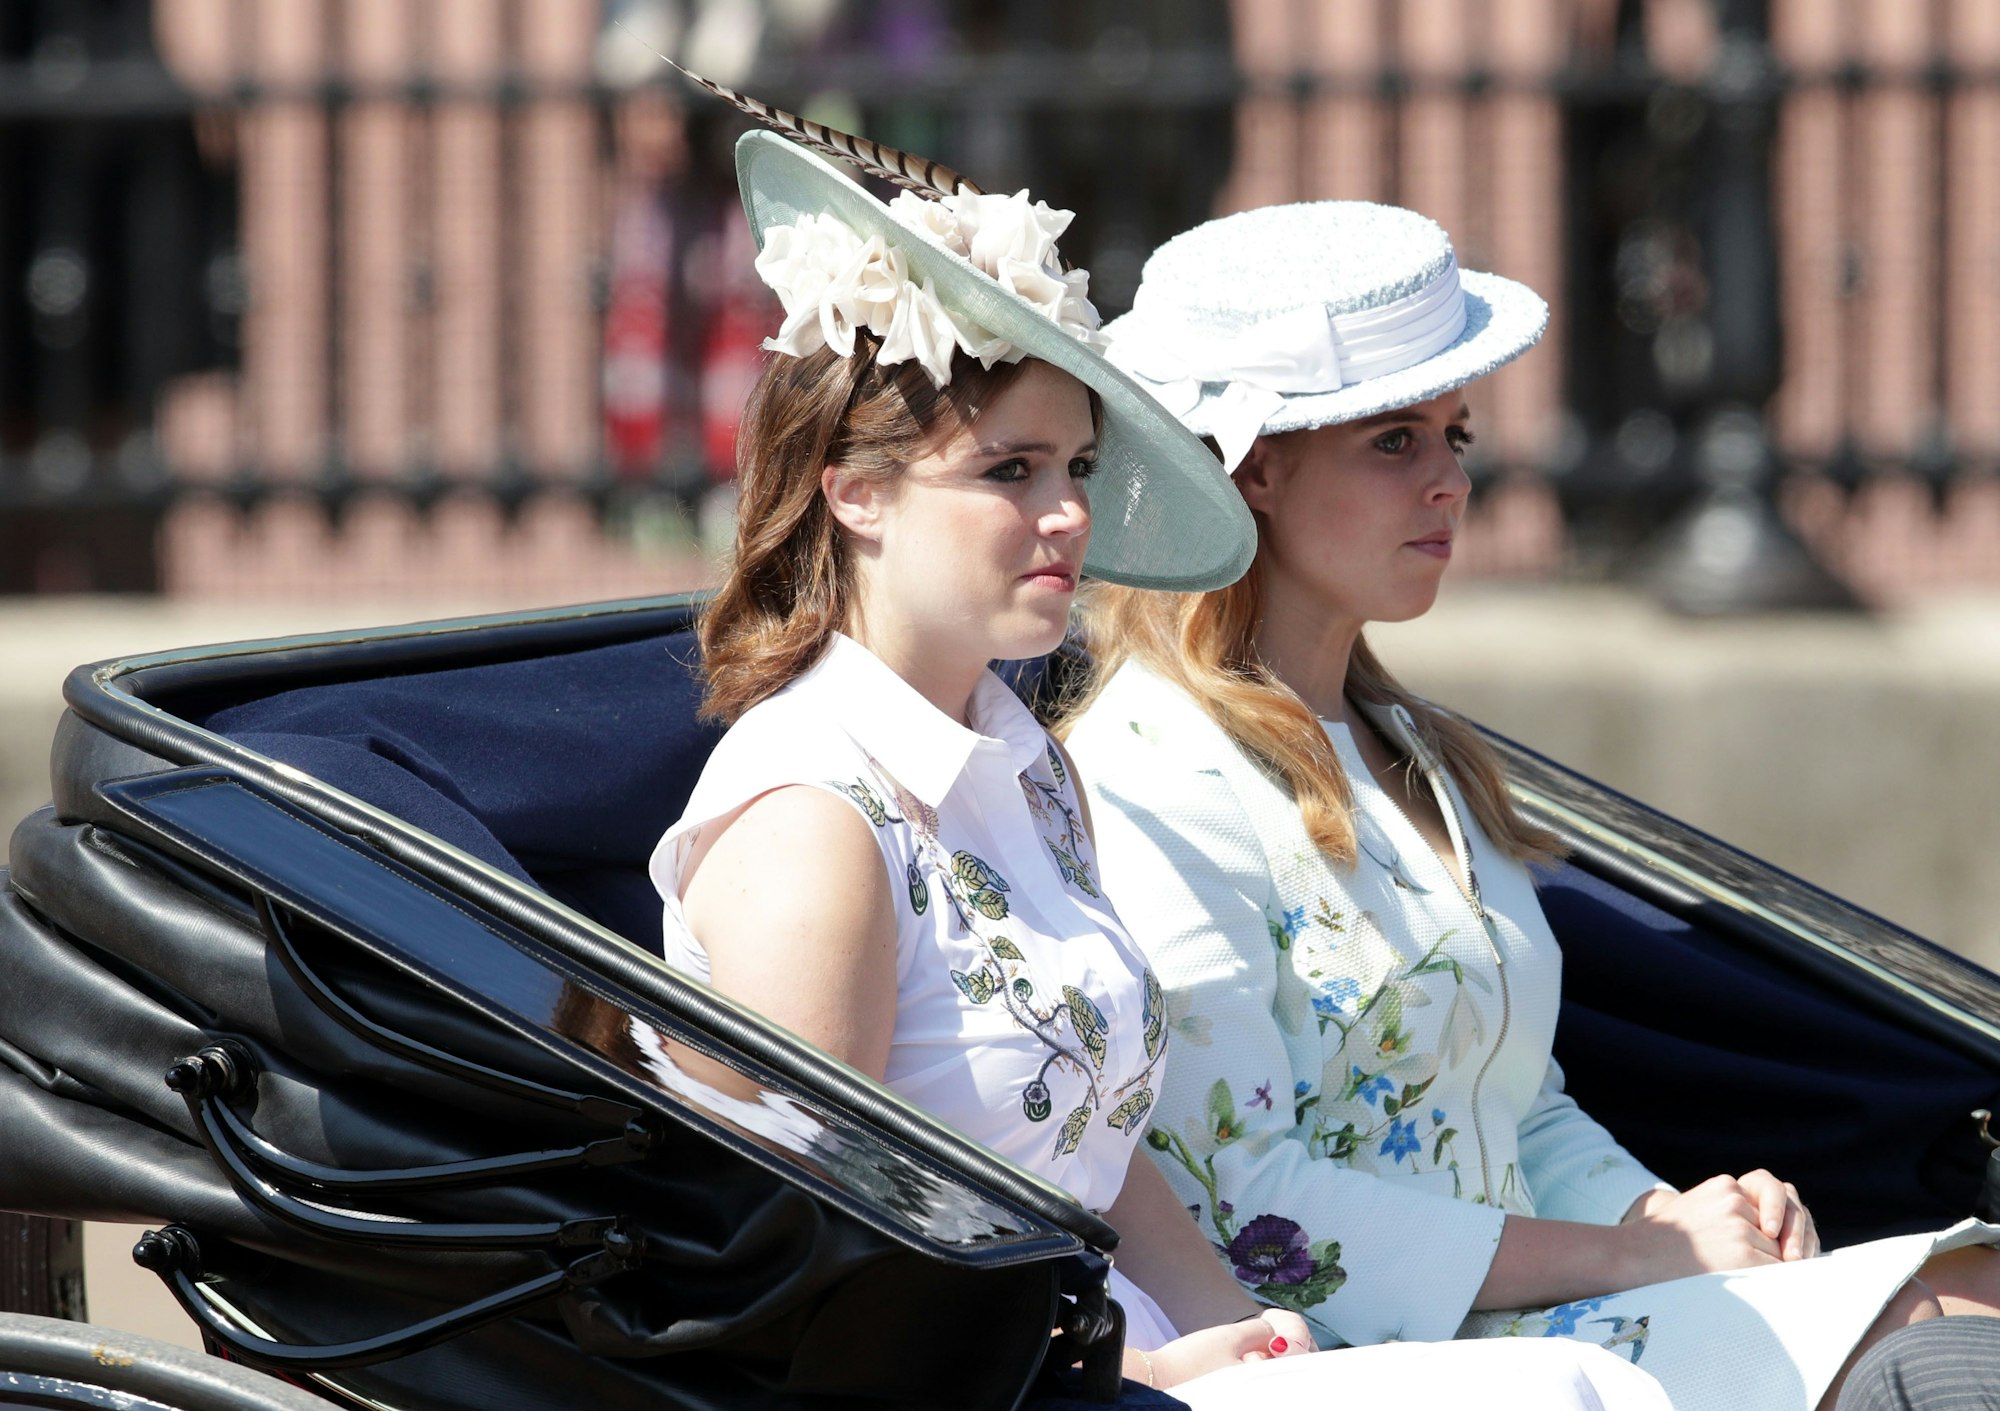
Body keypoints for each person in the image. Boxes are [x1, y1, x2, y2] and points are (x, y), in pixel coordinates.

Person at [645, 111, 1672, 1409]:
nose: (1069, 510)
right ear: (855, 491)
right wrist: (1130, 1365)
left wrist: (1244, 1327)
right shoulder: (812, 818)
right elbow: (834, 1258)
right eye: (1010, 470)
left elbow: (1105, 1142)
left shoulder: (1026, 769)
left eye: (1077, 464)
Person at [1060, 199, 2000, 1411]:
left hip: (1538, 1310)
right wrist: (1631, 1257)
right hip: (1357, 1355)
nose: (1451, 480)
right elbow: (1240, 1206)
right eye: (1393, 442)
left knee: (1970, 1283)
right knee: (1937, 1322)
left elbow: (1521, 1109)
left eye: (1453, 434)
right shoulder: (1147, 769)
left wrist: (1675, 1219)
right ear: (1252, 470)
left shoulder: (1419, 750)